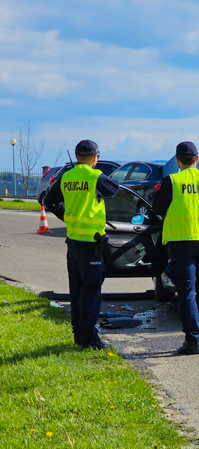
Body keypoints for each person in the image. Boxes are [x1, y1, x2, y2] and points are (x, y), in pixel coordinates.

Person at [43, 140, 120, 349]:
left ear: (77, 156)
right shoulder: (95, 176)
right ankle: (89, 338)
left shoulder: (66, 176)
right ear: (96, 157)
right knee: (91, 290)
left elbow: (48, 202)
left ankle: (78, 334)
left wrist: (67, 216)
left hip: (74, 241)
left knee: (76, 291)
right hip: (91, 244)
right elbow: (115, 189)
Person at [152, 142, 199, 355]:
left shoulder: (172, 181)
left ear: (178, 160)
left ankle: (193, 340)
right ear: (197, 159)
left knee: (187, 293)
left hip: (182, 244)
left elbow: (157, 209)